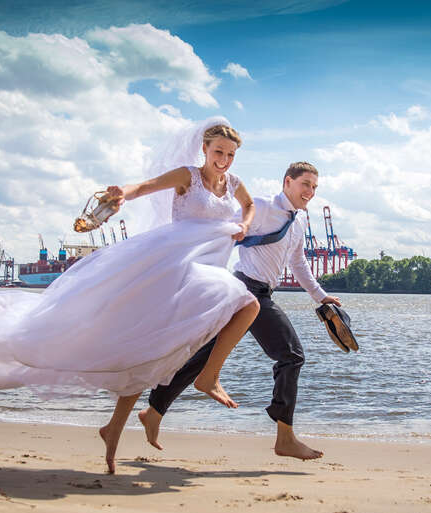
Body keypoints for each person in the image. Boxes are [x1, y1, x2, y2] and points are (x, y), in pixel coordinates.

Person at [0, 117, 259, 473]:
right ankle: (208, 378)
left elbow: (250, 205)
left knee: (149, 350)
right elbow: (145, 187)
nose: (224, 160)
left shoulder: (234, 183)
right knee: (244, 304)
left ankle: (114, 429)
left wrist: (244, 224)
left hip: (207, 268)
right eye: (218, 152)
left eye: (230, 155)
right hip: (173, 265)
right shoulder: (188, 176)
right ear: (204, 148)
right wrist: (122, 194)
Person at [138, 161, 341, 461]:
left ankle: (153, 411)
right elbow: (223, 231)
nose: (310, 191)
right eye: (305, 184)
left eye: (314, 187)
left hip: (259, 293)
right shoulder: (261, 206)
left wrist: (320, 297)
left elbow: (298, 264)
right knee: (291, 355)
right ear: (287, 182)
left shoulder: (298, 222)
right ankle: (285, 438)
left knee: (205, 355)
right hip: (246, 290)